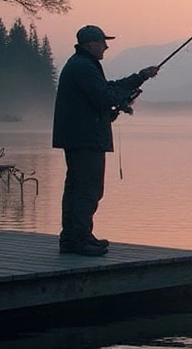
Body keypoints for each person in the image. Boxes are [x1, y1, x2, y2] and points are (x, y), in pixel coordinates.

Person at [52, 25, 158, 256]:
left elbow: (106, 89)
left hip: (79, 136)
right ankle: (79, 239)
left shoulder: (81, 65)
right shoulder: (83, 67)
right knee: (88, 190)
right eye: (102, 42)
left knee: (76, 188)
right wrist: (122, 99)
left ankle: (72, 238)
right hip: (86, 138)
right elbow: (105, 97)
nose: (106, 46)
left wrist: (139, 77)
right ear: (91, 44)